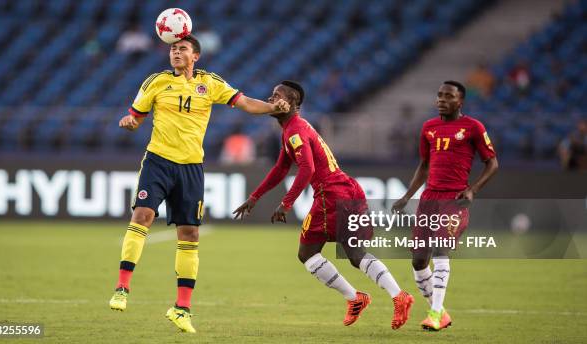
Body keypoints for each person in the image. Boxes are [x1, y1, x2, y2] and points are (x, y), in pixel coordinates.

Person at [108, 35, 290, 333]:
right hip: (158, 162)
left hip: (191, 167)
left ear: (196, 56)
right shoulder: (155, 82)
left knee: (190, 234)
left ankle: (181, 309)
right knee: (142, 215)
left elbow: (244, 102)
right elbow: (135, 116)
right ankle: (122, 288)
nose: (175, 53)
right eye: (172, 49)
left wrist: (273, 108)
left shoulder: (211, 83)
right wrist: (129, 122)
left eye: (182, 49)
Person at [233, 81, 414, 329]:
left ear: (292, 103)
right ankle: (395, 296)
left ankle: (360, 298)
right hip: (344, 188)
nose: (271, 98)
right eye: (272, 94)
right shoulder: (292, 129)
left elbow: (307, 168)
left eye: (277, 95)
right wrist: (255, 197)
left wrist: (286, 203)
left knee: (308, 253)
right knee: (353, 253)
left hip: (331, 194)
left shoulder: (294, 130)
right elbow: (280, 168)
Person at [392, 81, 499, 331]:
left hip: (454, 199)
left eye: (448, 96)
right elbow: (424, 165)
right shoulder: (429, 127)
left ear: (459, 102)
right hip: (429, 199)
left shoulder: (473, 127)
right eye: (439, 95)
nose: (441, 99)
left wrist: (472, 190)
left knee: (441, 251)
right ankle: (440, 311)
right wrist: (408, 196)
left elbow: (492, 163)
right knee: (418, 261)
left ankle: (435, 313)